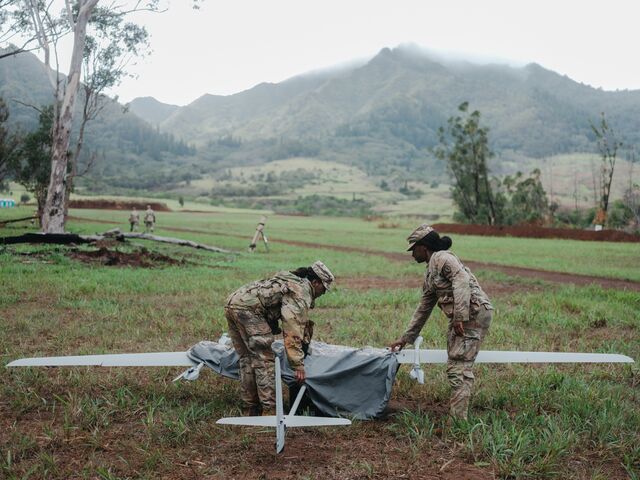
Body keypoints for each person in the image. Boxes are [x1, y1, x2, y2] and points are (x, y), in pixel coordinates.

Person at [389, 224, 493, 420]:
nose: (412, 254)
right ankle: (457, 418)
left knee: (459, 368)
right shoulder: (431, 272)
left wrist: (460, 317)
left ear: (424, 246)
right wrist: (406, 338)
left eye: (414, 249)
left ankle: (458, 424)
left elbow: (461, 279)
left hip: (473, 314)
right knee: (456, 365)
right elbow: (424, 308)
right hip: (467, 315)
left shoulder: (443, 258)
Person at [224, 261, 334, 416]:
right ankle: (270, 413)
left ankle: (250, 410)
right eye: (324, 288)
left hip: (233, 303)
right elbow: (292, 329)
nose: (323, 293)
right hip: (249, 310)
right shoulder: (300, 291)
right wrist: (297, 364)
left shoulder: (290, 279)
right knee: (264, 361)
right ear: (315, 282)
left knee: (247, 359)